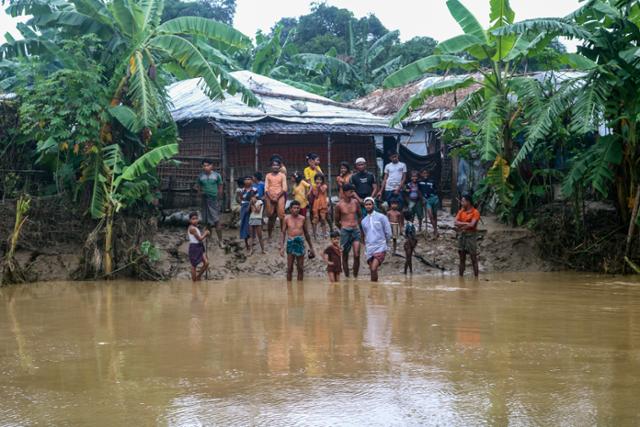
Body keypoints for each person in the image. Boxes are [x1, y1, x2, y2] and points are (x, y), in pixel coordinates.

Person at [280, 200, 316, 282]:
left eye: (298, 208)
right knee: (289, 268)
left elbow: (306, 233)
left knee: (300, 268)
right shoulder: (286, 218)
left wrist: (311, 247)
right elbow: (283, 233)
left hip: (300, 242)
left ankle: (300, 289)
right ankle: (289, 290)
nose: (296, 209)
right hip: (291, 242)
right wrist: (281, 247)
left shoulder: (303, 218)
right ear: (290, 209)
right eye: (294, 208)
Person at [361, 197, 392, 282]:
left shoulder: (382, 217)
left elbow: (388, 232)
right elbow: (364, 234)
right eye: (366, 205)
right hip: (370, 248)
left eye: (370, 204)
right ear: (364, 206)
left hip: (380, 246)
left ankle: (374, 289)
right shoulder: (363, 221)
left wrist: (386, 244)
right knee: (372, 269)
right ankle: (374, 289)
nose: (368, 206)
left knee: (374, 268)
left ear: (373, 205)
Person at [334, 183, 362, 278]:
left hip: (355, 230)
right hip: (345, 230)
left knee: (357, 254)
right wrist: (343, 228)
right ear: (345, 192)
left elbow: (360, 215)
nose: (353, 193)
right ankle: (347, 276)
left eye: (353, 191)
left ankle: (355, 277)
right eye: (351, 191)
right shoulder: (339, 205)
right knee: (345, 255)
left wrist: (357, 225)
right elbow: (336, 221)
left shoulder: (355, 202)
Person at [195, 159, 223, 247]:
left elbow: (220, 186)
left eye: (207, 165)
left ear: (212, 166)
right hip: (204, 200)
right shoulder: (200, 176)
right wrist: (199, 193)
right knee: (206, 221)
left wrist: (219, 196)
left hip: (214, 200)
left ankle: (220, 241)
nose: (205, 167)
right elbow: (198, 186)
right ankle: (209, 240)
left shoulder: (216, 175)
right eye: (204, 166)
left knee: (216, 221)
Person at [455, 193, 481, 277]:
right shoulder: (461, 211)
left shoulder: (475, 212)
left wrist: (461, 224)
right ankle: (460, 277)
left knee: (473, 258)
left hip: (471, 236)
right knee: (461, 259)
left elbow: (472, 225)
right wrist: (466, 223)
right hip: (462, 236)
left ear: (468, 202)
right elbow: (455, 222)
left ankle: (476, 278)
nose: (461, 203)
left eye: (463, 201)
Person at [265, 160, 288, 239]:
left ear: (279, 167)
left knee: (281, 216)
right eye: (273, 165)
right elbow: (266, 188)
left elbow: (284, 188)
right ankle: (269, 235)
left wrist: (277, 197)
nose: (275, 167)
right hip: (269, 196)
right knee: (270, 216)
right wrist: (271, 197)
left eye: (277, 165)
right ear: (271, 166)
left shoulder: (282, 175)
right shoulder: (268, 175)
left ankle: (282, 233)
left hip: (280, 195)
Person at [188, 212, 210, 282]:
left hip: (200, 246)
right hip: (194, 247)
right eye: (193, 219)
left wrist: (205, 231)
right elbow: (200, 238)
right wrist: (206, 234)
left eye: (196, 218)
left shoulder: (195, 227)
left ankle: (198, 277)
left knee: (206, 263)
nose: (195, 220)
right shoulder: (192, 228)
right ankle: (194, 281)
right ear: (190, 221)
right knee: (194, 265)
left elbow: (200, 238)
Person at [419, 168, 440, 238]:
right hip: (427, 200)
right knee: (430, 215)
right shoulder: (419, 182)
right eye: (423, 173)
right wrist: (422, 198)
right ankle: (436, 230)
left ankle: (435, 230)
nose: (425, 175)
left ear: (428, 174)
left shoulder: (432, 181)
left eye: (426, 173)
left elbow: (436, 189)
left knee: (435, 215)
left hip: (434, 199)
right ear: (421, 174)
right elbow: (419, 191)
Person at [237, 176, 256, 251]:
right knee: (244, 225)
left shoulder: (254, 189)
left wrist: (251, 203)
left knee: (252, 225)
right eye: (246, 179)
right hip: (243, 209)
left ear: (252, 181)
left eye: (249, 179)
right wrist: (242, 203)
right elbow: (238, 199)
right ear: (243, 181)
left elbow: (256, 198)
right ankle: (246, 244)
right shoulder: (241, 190)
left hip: (252, 208)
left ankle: (252, 243)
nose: (248, 181)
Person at [311, 174, 329, 239]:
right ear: (315, 180)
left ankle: (324, 233)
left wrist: (319, 186)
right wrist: (317, 187)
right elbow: (315, 195)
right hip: (316, 204)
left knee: (323, 219)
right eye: (317, 179)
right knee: (315, 218)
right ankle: (314, 234)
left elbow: (323, 191)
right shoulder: (314, 186)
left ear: (322, 180)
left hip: (323, 204)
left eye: (320, 179)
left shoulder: (324, 186)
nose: (318, 181)